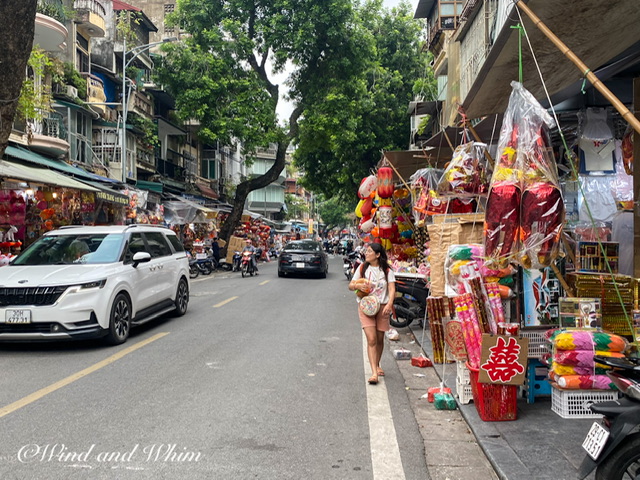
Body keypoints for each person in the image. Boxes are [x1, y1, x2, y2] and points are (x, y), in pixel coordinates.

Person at [348, 243, 396, 385]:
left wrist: (389, 304)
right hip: (366, 307)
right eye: (366, 251)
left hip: (382, 307)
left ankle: (377, 363)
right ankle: (374, 372)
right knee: (372, 339)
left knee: (380, 339)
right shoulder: (362, 268)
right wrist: (357, 285)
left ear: (377, 255)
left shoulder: (387, 271)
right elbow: (351, 285)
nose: (366, 253)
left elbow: (392, 289)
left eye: (369, 251)